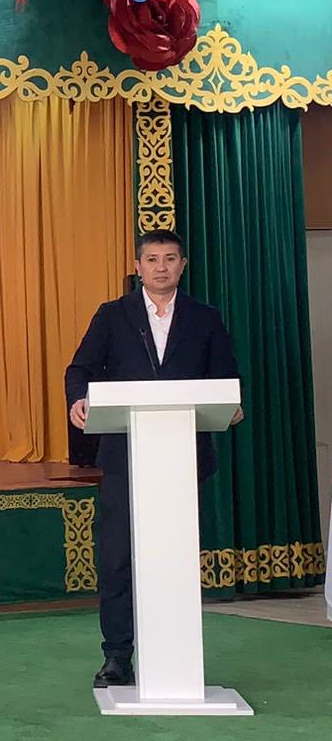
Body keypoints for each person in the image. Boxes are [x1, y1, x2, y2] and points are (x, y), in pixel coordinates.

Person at [65, 228, 242, 689]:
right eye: (152, 259)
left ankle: (176, 653)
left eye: (170, 259)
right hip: (125, 457)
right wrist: (78, 398)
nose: (161, 267)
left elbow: (225, 376)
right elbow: (80, 369)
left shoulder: (205, 318)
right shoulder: (112, 315)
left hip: (183, 456)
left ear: (183, 265)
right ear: (137, 267)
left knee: (174, 558)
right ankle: (116, 656)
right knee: (118, 559)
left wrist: (232, 402)